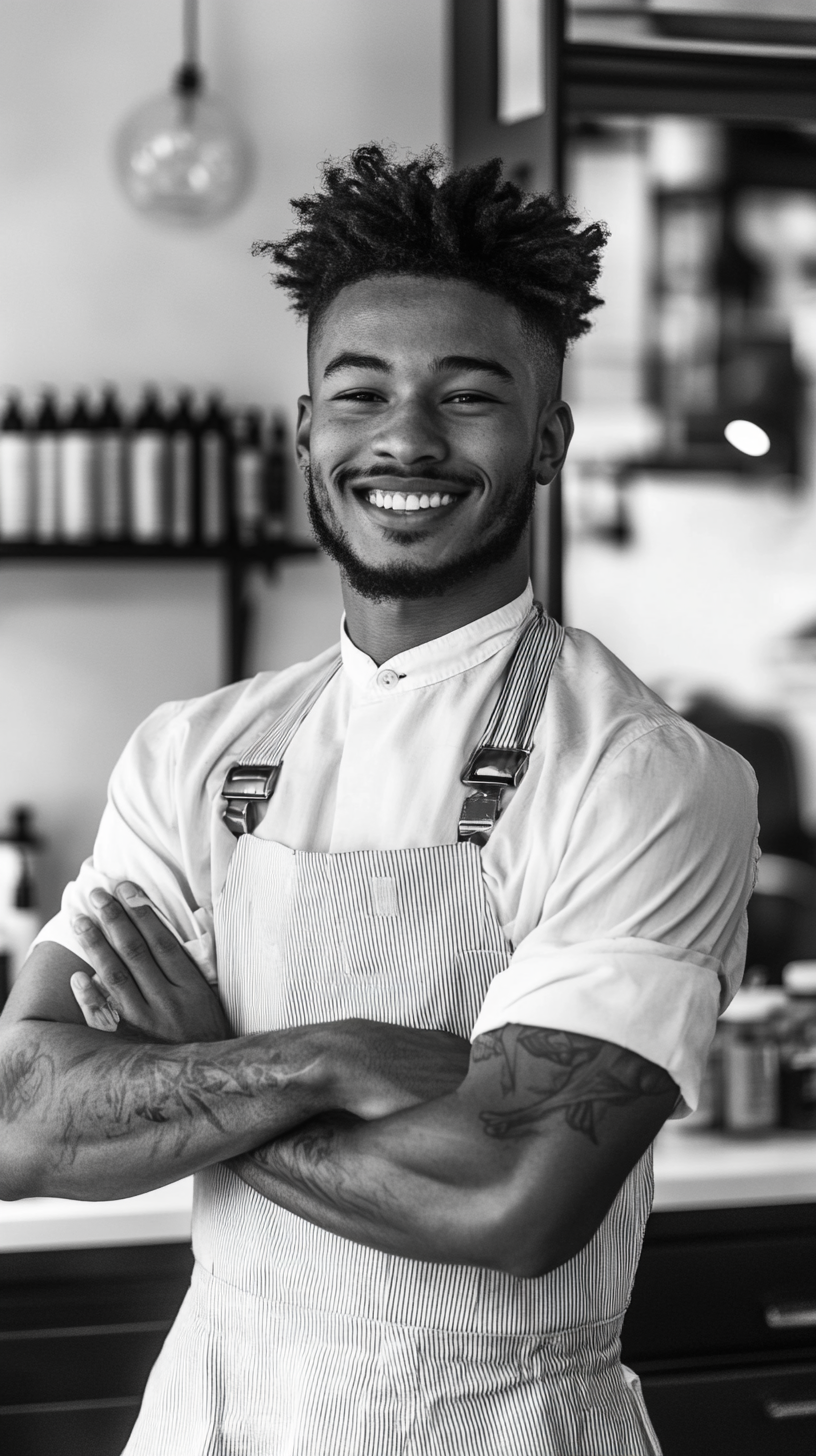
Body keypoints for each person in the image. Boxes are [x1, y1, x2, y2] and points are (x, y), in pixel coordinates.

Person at [0, 146, 757, 1455]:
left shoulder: (644, 776)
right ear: (307, 432)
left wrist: (194, 1069)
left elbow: (514, 1198)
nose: (404, 438)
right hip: (215, 1418)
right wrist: (326, 1056)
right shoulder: (196, 752)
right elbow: (21, 1118)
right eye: (361, 395)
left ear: (548, 439)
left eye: (468, 398)